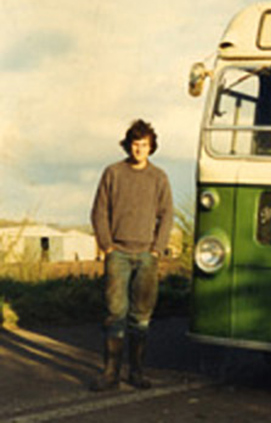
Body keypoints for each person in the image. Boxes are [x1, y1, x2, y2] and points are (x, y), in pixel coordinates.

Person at [90, 119, 174, 391]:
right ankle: (110, 373)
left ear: (151, 148)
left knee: (141, 317)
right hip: (119, 253)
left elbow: (167, 215)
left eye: (145, 145)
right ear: (128, 146)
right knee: (115, 314)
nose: (139, 150)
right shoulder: (112, 173)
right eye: (135, 144)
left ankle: (136, 372)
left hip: (147, 256)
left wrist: (156, 249)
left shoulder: (159, 177)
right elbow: (99, 211)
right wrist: (107, 246)